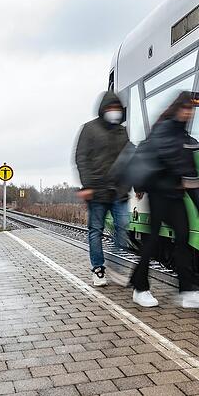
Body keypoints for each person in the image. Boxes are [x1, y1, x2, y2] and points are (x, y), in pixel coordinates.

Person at [129, 92, 199, 310]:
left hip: (174, 196)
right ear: (177, 108)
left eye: (191, 109)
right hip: (160, 194)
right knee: (152, 241)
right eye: (185, 108)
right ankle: (140, 287)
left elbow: (190, 168)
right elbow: (176, 164)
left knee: (182, 239)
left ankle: (187, 292)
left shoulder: (182, 135)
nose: (189, 113)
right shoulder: (165, 130)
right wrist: (142, 186)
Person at [75, 91, 131, 286]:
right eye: (110, 108)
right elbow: (81, 159)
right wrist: (87, 185)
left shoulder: (122, 132)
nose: (113, 112)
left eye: (116, 108)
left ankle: (116, 266)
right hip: (97, 191)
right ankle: (98, 269)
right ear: (102, 110)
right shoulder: (89, 129)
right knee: (96, 231)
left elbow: (129, 160)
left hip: (119, 191)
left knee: (123, 226)